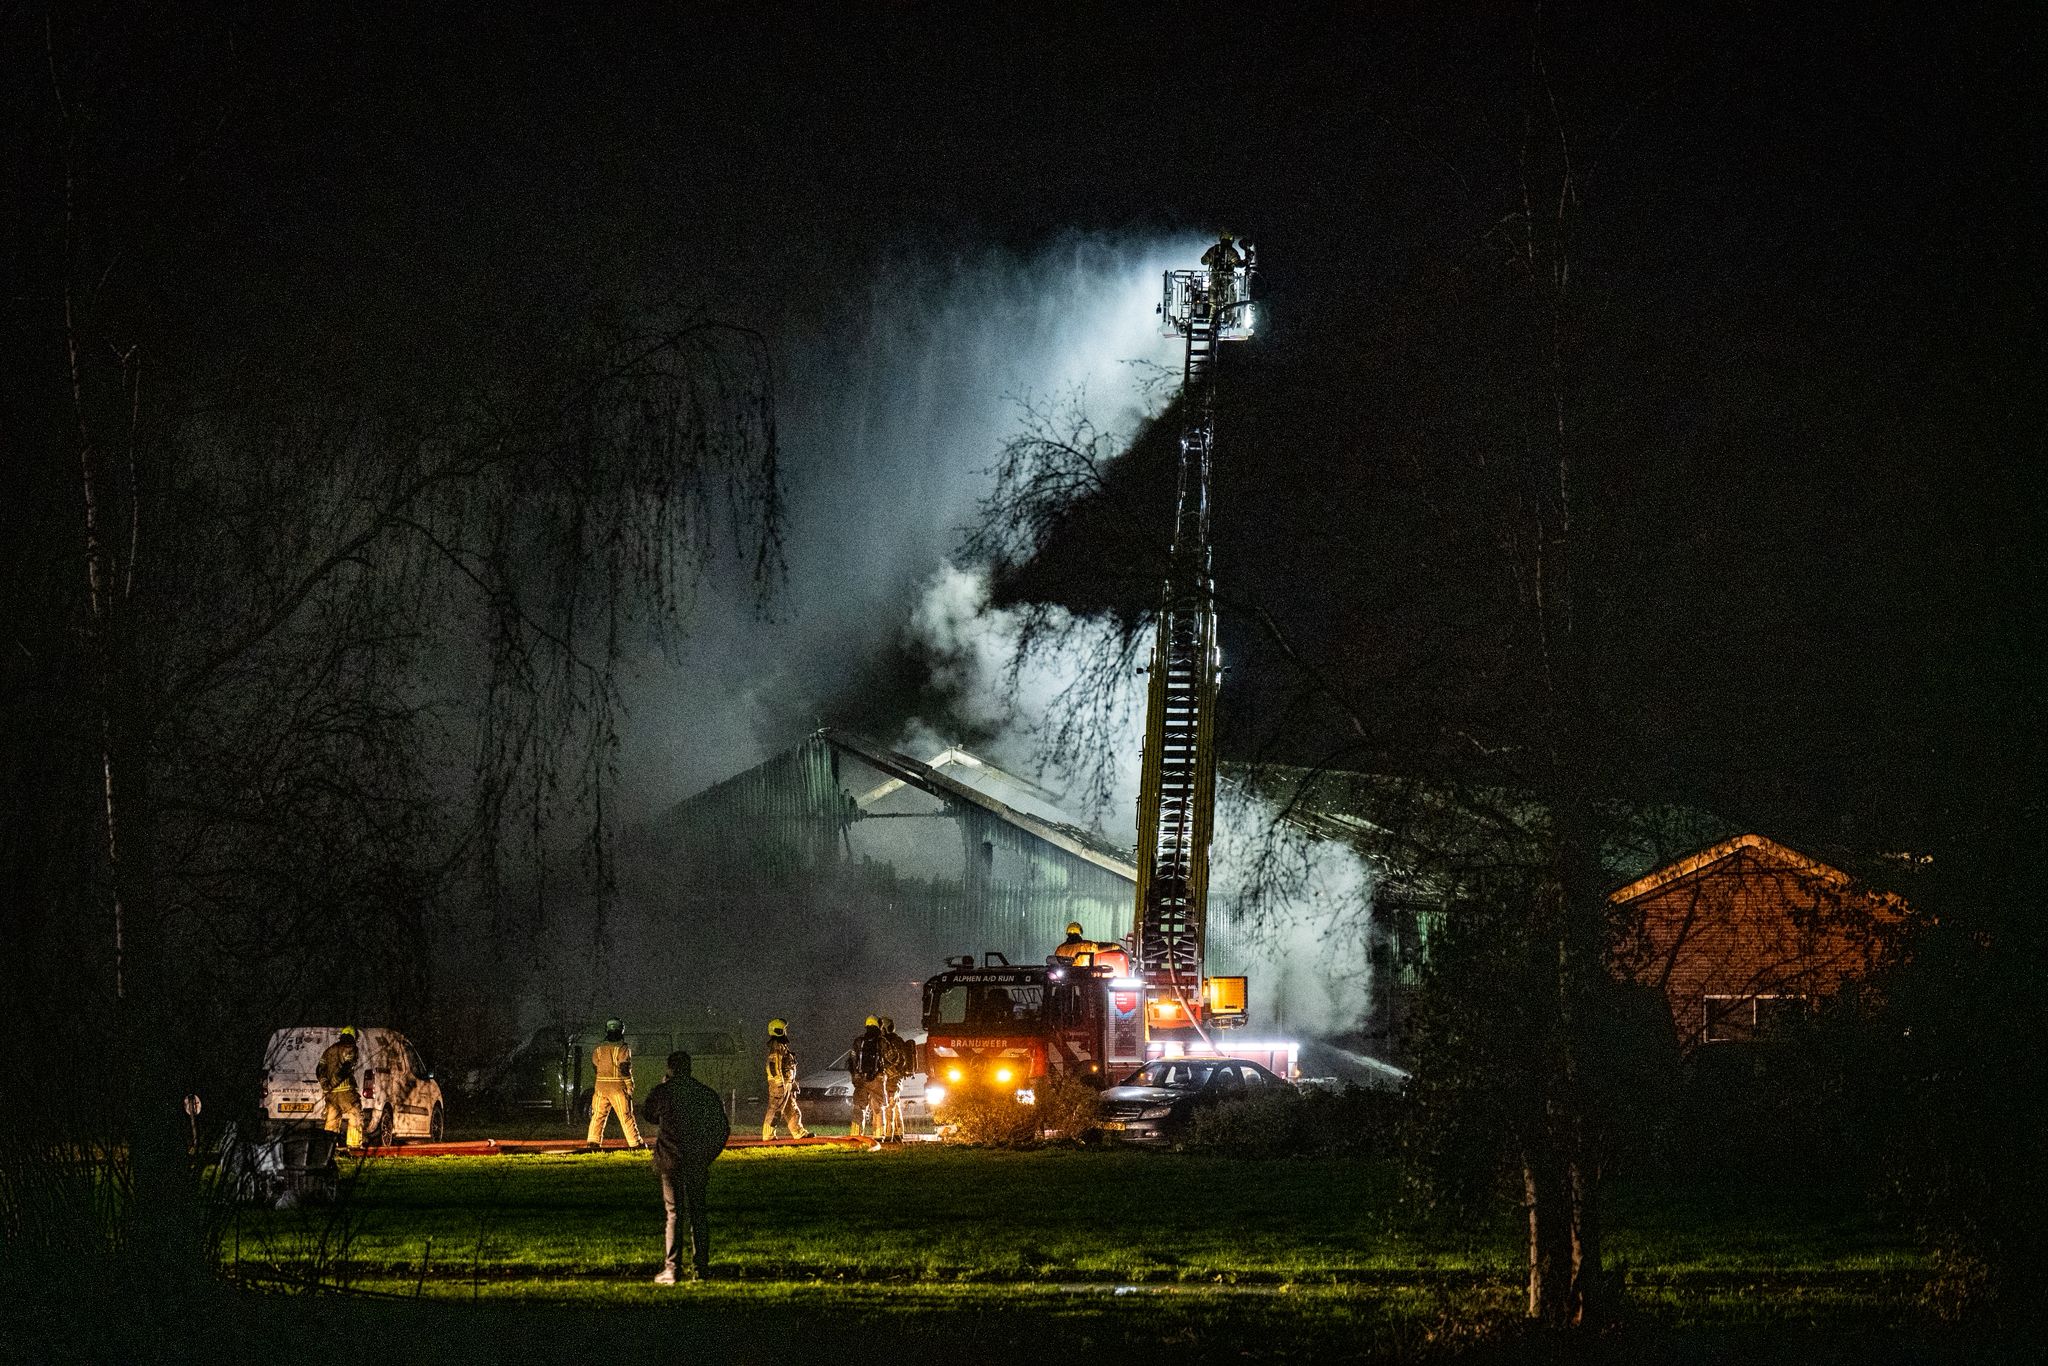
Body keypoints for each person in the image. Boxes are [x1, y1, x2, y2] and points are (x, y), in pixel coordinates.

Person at [638, 1049, 731, 1284]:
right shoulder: (704, 1093)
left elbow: (647, 1113)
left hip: (670, 1160)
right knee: (698, 1213)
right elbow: (722, 1128)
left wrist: (663, 1086)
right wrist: (708, 1155)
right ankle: (700, 1268)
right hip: (696, 1160)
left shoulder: (664, 1091)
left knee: (674, 1214)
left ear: (669, 1068)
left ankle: (672, 1269)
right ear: (689, 1068)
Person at [586, 1017, 643, 1150]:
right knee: (626, 1116)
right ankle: (635, 1143)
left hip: (600, 1088)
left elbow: (595, 1066)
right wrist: (629, 1085)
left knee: (598, 1115)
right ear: (621, 1030)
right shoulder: (623, 1048)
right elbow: (624, 1069)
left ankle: (593, 1142)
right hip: (618, 1088)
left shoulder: (598, 1049)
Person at [317, 1025, 365, 1149]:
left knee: (331, 1120)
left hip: (331, 1094)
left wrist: (325, 1085)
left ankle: (329, 1147)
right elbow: (346, 1068)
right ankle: (354, 1146)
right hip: (346, 1092)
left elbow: (319, 1069)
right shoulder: (351, 1049)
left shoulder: (329, 1050)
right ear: (354, 1037)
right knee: (355, 1114)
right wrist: (334, 1082)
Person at [761, 1018, 809, 1140]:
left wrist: (792, 1083)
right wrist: (779, 1083)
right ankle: (768, 1134)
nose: (786, 1031)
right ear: (778, 1031)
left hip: (787, 1083)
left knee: (792, 1108)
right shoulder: (776, 1047)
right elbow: (773, 1066)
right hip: (780, 1084)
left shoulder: (782, 1046)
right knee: (775, 1109)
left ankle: (798, 1132)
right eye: (784, 1029)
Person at [847, 1016, 887, 1139]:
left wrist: (855, 1076)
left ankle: (856, 1134)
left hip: (860, 1079)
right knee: (878, 1107)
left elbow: (851, 1061)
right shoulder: (882, 1041)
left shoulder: (859, 1041)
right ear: (878, 1025)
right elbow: (890, 1059)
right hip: (877, 1079)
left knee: (859, 1107)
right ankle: (879, 1135)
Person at [877, 1015, 913, 1142]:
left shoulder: (889, 1042)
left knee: (889, 1105)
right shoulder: (898, 1040)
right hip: (897, 1078)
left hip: (892, 1078)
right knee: (895, 1104)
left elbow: (896, 1061)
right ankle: (898, 1132)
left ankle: (888, 1135)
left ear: (884, 1028)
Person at [1200, 231, 1244, 321]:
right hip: (1228, 280)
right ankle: (1228, 321)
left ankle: (1212, 322)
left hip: (1214, 279)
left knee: (1214, 303)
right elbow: (1239, 264)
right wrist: (1247, 260)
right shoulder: (1232, 251)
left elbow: (1203, 261)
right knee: (1229, 303)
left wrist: (1212, 259)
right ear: (1231, 240)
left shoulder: (1213, 249)